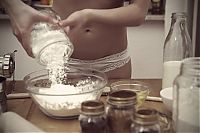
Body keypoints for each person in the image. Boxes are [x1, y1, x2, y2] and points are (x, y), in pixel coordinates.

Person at [0, 0, 150, 79]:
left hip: (114, 65)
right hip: (65, 64)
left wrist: (89, 15)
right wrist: (13, 6)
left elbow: (139, 11)